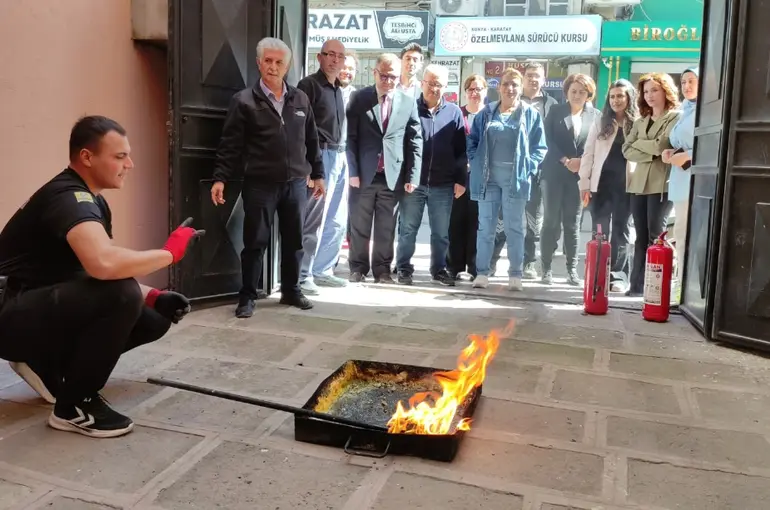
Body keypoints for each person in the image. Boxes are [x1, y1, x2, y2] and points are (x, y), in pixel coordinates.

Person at [0, 116, 203, 438]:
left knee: (153, 317)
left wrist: (153, 297)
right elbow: (104, 265)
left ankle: (47, 364)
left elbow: (91, 270)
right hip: (9, 314)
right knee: (121, 295)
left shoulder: (92, 199)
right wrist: (170, 254)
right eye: (119, 156)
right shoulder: (69, 199)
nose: (130, 164)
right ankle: (73, 406)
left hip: (37, 304)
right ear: (87, 157)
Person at [211, 38, 324, 317]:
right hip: (260, 184)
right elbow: (230, 144)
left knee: (294, 240)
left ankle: (291, 290)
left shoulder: (300, 99)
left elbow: (312, 139)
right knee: (255, 242)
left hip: (296, 184)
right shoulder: (244, 101)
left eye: (279, 62)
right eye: (268, 61)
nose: (273, 67)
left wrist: (318, 174)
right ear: (259, 63)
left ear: (287, 66)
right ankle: (247, 296)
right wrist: (220, 178)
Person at [346, 53, 423, 283]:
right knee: (359, 226)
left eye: (393, 76)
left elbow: (415, 139)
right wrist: (353, 171)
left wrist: (413, 175)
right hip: (363, 176)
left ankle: (381, 271)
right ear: (374, 73)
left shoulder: (407, 102)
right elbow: (350, 138)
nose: (388, 81)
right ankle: (358, 268)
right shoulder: (359, 98)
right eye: (384, 75)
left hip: (393, 175)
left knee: (386, 228)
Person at [468, 68, 547, 291]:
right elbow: (472, 140)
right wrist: (474, 160)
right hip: (487, 178)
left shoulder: (529, 114)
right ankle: (482, 273)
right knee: (486, 227)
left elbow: (540, 148)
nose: (510, 88)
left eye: (514, 84)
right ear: (498, 87)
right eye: (506, 84)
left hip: (516, 179)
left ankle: (515, 274)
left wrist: (528, 167)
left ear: (520, 88)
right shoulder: (486, 113)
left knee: (515, 228)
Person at [395, 64, 467, 286]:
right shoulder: (409, 108)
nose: (433, 88)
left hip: (443, 185)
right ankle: (403, 268)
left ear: (445, 86)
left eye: (438, 84)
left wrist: (460, 180)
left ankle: (439, 269)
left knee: (440, 233)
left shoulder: (454, 112)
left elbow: (461, 151)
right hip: (413, 184)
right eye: (430, 82)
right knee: (407, 229)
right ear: (422, 83)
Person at [297, 39, 348, 296]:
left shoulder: (338, 88)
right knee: (313, 221)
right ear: (320, 57)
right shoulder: (309, 85)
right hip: (320, 157)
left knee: (336, 221)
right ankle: (302, 275)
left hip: (339, 156)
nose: (335, 60)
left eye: (340, 56)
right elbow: (301, 129)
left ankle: (323, 270)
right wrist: (310, 167)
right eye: (330, 55)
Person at [622, 73, 681, 297]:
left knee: (656, 236)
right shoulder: (640, 121)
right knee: (640, 236)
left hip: (661, 185)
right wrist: (650, 150)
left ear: (666, 91)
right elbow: (626, 149)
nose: (649, 96)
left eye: (654, 90)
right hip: (638, 186)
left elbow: (661, 146)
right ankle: (636, 285)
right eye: (646, 92)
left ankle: (656, 287)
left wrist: (642, 146)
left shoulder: (675, 117)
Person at [579, 79, 639, 293]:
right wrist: (584, 184)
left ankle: (618, 276)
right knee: (600, 231)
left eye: (620, 96)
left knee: (622, 231)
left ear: (629, 98)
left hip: (628, 186)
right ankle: (597, 273)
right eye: (612, 96)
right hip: (601, 186)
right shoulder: (601, 121)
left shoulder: (638, 122)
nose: (616, 100)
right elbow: (588, 154)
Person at [540, 74, 599, 286]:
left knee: (573, 223)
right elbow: (546, 139)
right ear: (567, 92)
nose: (577, 95)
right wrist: (565, 160)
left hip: (579, 177)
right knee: (551, 221)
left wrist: (580, 162)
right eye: (573, 91)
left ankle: (571, 270)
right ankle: (545, 268)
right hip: (554, 173)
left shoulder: (595, 116)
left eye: (582, 92)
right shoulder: (556, 111)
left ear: (589, 94)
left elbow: (596, 146)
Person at [663, 67, 699, 303]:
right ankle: (681, 288)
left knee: (691, 237)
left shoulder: (706, 111)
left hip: (695, 182)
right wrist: (670, 152)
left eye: (692, 81)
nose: (686, 86)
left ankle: (688, 291)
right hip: (679, 180)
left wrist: (686, 156)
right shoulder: (684, 111)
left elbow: (715, 144)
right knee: (682, 236)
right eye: (683, 81)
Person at [447, 74, 487, 280]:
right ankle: (453, 267)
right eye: (471, 89)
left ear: (485, 92)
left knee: (477, 224)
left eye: (479, 89)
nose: (474, 92)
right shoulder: (456, 114)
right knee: (455, 223)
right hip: (459, 178)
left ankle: (474, 268)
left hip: (482, 179)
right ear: (465, 92)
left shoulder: (490, 115)